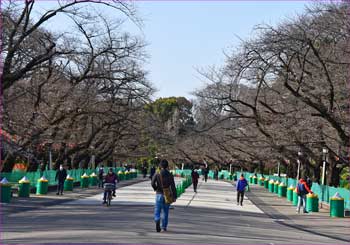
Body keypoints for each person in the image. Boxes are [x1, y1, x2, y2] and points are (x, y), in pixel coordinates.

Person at [151, 159, 177, 232]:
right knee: (165, 211)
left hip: (159, 194)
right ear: (167, 166)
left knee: (157, 210)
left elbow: (152, 183)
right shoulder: (170, 174)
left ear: (160, 166)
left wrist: (155, 188)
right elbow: (173, 186)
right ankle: (164, 227)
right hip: (167, 195)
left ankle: (157, 219)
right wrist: (175, 196)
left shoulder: (157, 173)